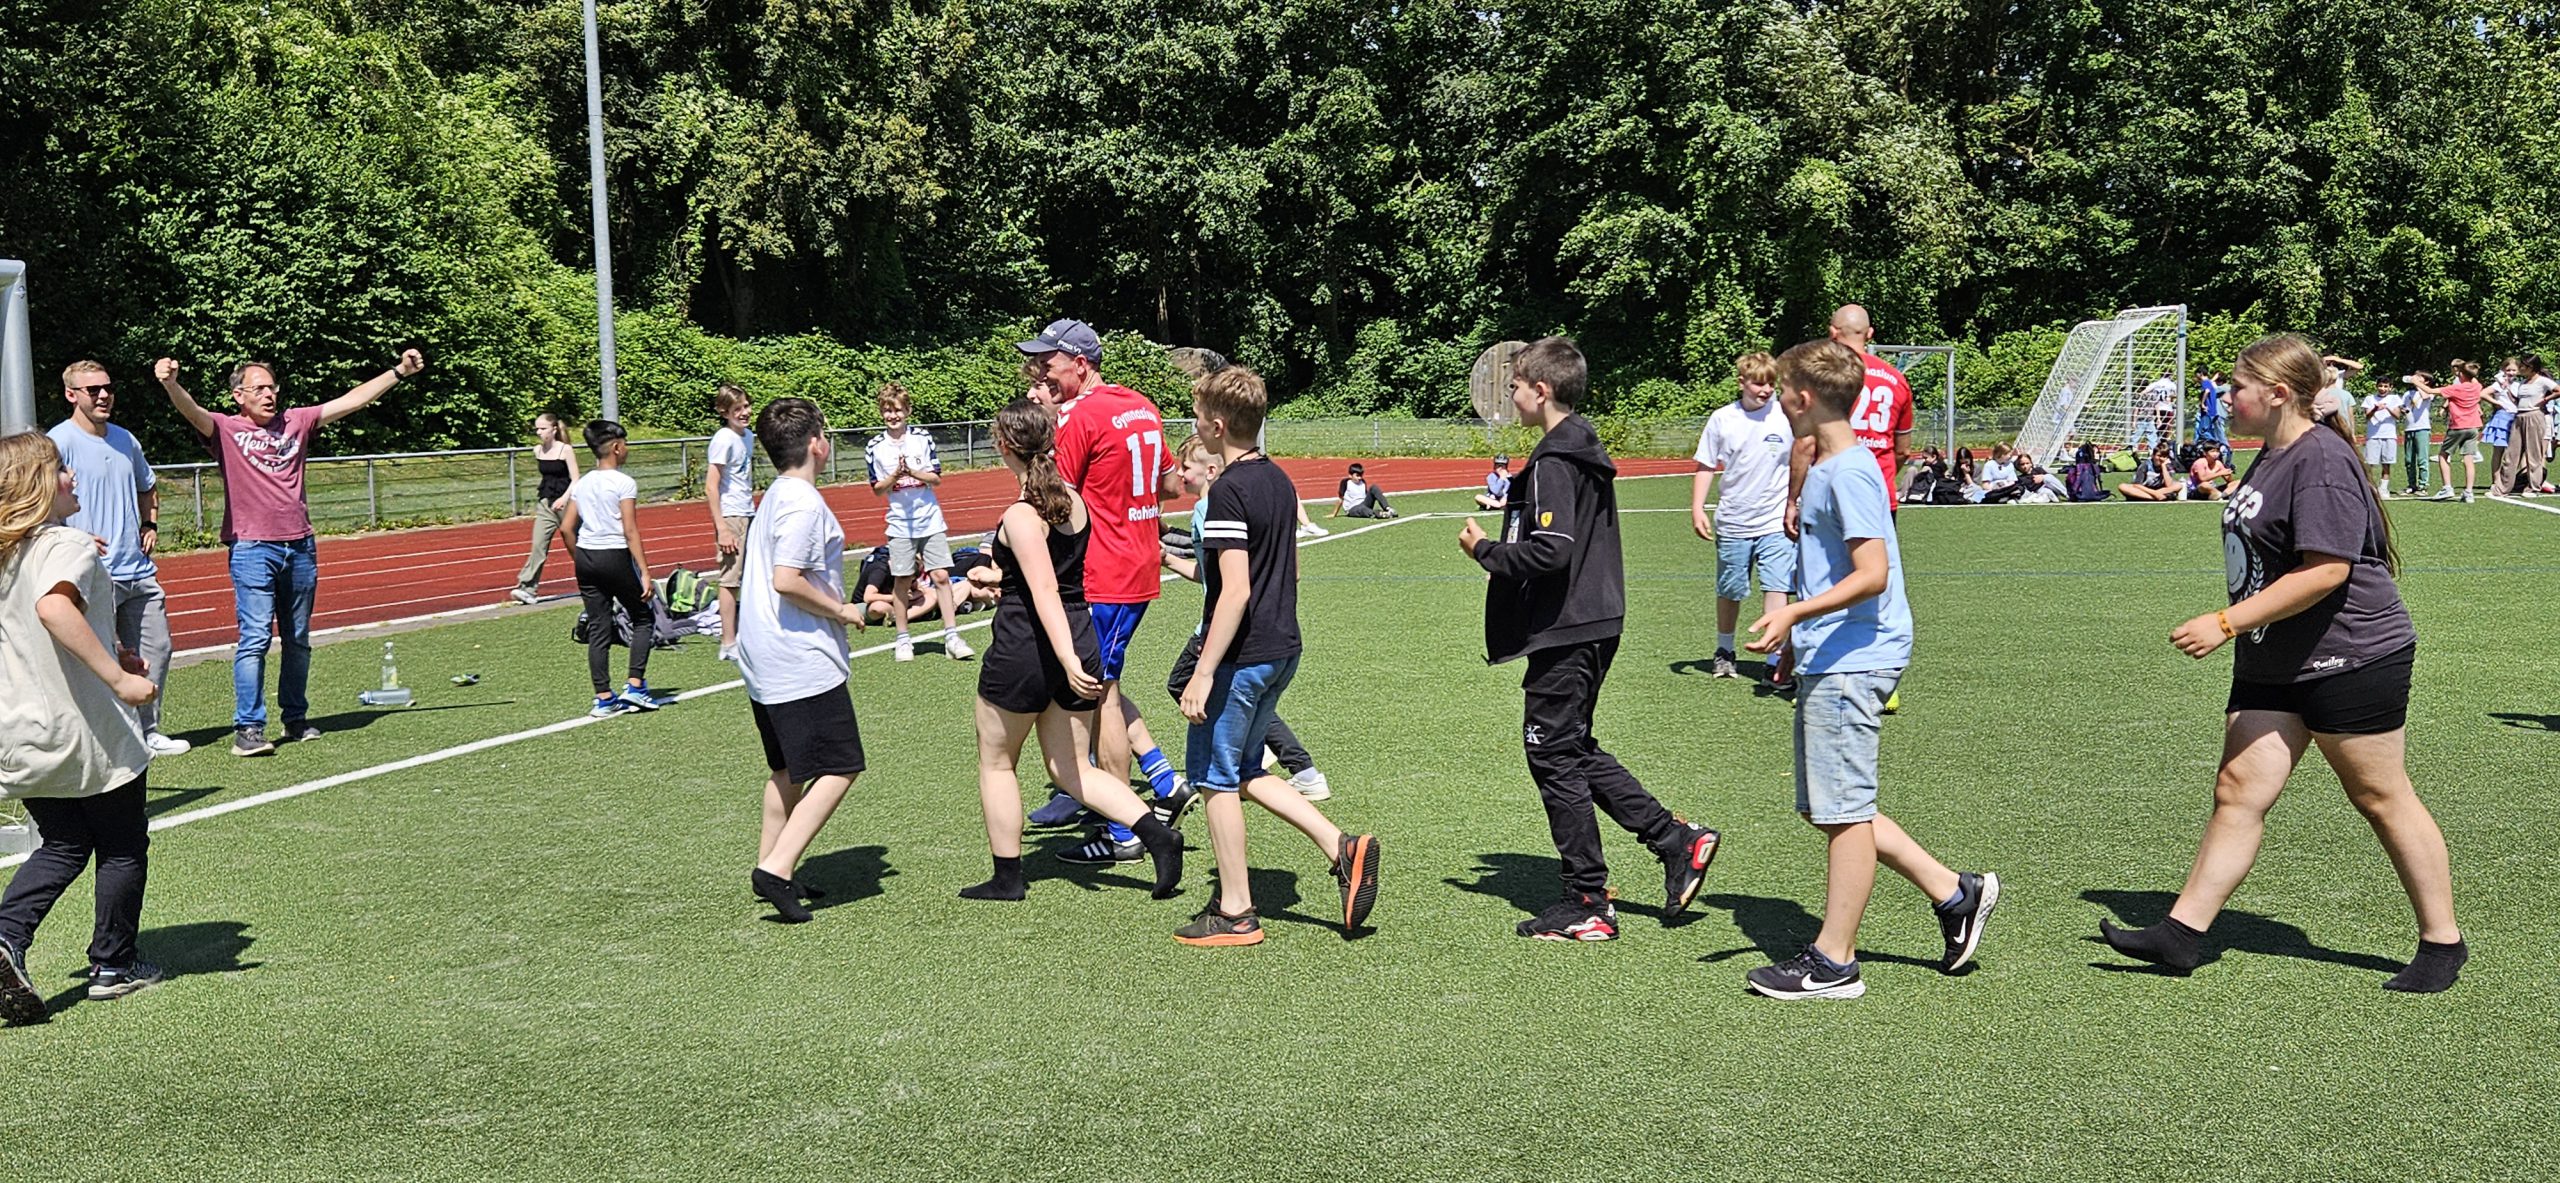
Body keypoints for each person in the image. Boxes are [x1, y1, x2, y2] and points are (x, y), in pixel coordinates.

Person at [2102, 333, 2465, 993]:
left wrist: (2224, 623)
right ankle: (2182, 932)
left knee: (2380, 797)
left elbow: (2326, 571)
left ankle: (2443, 942)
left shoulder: (2319, 458)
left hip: (2350, 655)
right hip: (2275, 658)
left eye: (2237, 387)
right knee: (2238, 791)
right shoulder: (2272, 453)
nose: (2226, 397)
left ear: (2276, 394)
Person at [1740, 339, 1998, 1000]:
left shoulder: (1849, 472)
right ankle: (1954, 892)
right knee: (1827, 808)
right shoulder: (1830, 466)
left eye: (1782, 389)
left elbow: (1872, 573)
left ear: (1802, 398)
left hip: (1856, 656)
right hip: (1832, 651)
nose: (1777, 398)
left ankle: (1834, 962)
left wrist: (1795, 613)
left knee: (1845, 812)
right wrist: (1798, 636)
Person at [1459, 336, 1719, 942]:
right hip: (1590, 620)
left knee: (1551, 754)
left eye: (1516, 386)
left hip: (1570, 627)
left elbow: (1552, 550)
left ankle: (1587, 900)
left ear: (1541, 390)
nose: (1511, 396)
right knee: (1570, 747)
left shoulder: (1555, 459)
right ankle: (1676, 841)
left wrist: (1485, 551)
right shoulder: (1578, 448)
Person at [1173, 365, 1377, 946]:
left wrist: (1203, 672)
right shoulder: (1279, 479)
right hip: (1282, 647)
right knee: (1243, 771)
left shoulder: (1228, 490)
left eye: (1198, 418)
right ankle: (1340, 847)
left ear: (1217, 426)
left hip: (1242, 655)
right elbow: (1283, 571)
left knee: (1214, 779)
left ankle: (1235, 911)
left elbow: (1234, 590)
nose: (1194, 426)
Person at [959, 398, 1182, 903]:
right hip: (1081, 634)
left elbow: (1044, 591)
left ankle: (1007, 878)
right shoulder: (1074, 501)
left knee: (997, 763)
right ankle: (1157, 835)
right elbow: (1051, 576)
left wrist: (1063, 658)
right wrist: (1002, 580)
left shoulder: (1022, 514)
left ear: (1004, 446)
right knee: (1071, 768)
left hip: (1028, 648)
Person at [155, 349, 424, 757]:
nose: (269, 395)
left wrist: (398, 372)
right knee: (255, 638)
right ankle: (249, 728)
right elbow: (191, 411)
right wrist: (171, 384)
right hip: (252, 547)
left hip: (299, 545)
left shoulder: (297, 421)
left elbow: (352, 401)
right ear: (238, 396)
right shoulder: (225, 428)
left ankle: (295, 718)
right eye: (259, 389)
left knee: (297, 639)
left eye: (272, 388)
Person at [0, 432, 163, 1025]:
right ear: (39, 483)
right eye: (62, 469)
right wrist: (119, 680)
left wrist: (113, 650)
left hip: (21, 732)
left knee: (64, 842)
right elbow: (53, 609)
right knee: (122, 844)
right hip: (86, 730)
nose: (72, 478)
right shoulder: (66, 543)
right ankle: (113, 966)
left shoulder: (8, 554)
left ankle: (6, 935)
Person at [1016, 319, 1186, 863]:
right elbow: (1170, 483)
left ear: (1079, 363)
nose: (1041, 370)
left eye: (1049, 362)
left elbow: (1052, 498)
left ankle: (1122, 831)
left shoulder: (1078, 416)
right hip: (1137, 562)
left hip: (1103, 571)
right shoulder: (1141, 404)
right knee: (1103, 684)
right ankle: (1162, 783)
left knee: (1100, 693)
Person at [735, 398, 870, 924]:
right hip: (797, 656)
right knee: (841, 765)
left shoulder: (775, 495)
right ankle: (776, 868)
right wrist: (843, 610)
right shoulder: (802, 503)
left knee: (787, 769)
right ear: (816, 443)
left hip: (765, 652)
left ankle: (772, 863)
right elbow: (787, 580)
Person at [1162, 434, 1332, 802]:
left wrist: (1205, 668)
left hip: (1227, 632)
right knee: (1232, 708)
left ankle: (1292, 764)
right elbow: (1215, 573)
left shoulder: (1211, 505)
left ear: (1210, 470)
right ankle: (1299, 771)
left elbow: (1231, 587)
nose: (1181, 474)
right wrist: (1168, 558)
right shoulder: (1272, 482)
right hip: (1272, 635)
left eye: (1186, 467)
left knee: (1215, 769)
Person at [48, 362, 187, 755]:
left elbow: (148, 486)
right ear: (71, 395)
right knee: (101, 659)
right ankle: (106, 736)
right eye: (92, 390)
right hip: (93, 572)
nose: (104, 396)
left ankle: (149, 730)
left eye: (108, 388)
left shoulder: (126, 439)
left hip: (137, 570)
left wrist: (150, 523)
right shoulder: (59, 442)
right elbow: (42, 498)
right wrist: (70, 537)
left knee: (157, 649)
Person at [1691, 351, 1794, 681]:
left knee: (1777, 586)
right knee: (1730, 590)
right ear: (1742, 382)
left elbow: (1805, 454)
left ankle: (1775, 659)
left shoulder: (1787, 415)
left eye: (1770, 384)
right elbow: (1706, 465)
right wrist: (1697, 507)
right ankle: (1724, 650)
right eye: (1758, 383)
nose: (1765, 390)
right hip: (1734, 520)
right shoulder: (1723, 419)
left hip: (1776, 521)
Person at [559, 420, 672, 718]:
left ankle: (603, 698)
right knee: (643, 617)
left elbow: (566, 528)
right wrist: (645, 572)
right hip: (615, 555)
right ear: (617, 447)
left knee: (599, 627)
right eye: (626, 444)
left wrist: (580, 559)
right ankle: (635, 686)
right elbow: (630, 530)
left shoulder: (582, 483)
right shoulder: (624, 482)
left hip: (586, 556)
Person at [863, 382, 972, 663]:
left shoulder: (922, 438)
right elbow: (877, 489)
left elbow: (936, 478)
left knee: (941, 576)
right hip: (900, 523)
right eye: (887, 411)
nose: (893, 416)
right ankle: (903, 638)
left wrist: (912, 472)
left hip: (930, 520)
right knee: (902, 579)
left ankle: (952, 636)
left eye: (898, 410)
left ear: (908, 411)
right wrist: (895, 476)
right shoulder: (875, 446)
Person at [704, 385, 756, 661]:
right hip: (731, 515)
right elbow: (711, 486)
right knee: (730, 579)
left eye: (746, 406)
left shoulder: (747, 436)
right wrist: (722, 528)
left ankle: (747, 633)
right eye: (738, 409)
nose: (745, 412)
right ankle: (728, 641)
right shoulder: (723, 439)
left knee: (751, 576)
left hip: (747, 511)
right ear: (724, 412)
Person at [511, 413, 580, 605]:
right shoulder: (538, 450)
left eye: (543, 428)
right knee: (538, 545)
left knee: (578, 545)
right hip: (546, 504)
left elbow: (576, 479)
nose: (539, 432)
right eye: (537, 429)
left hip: (567, 504)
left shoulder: (565, 450)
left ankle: (596, 579)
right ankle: (527, 588)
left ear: (554, 429)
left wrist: (564, 498)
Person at [2417, 361, 2484, 501]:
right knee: (2469, 459)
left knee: (2443, 456)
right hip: (2473, 427)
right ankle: (2469, 492)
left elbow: (2429, 391)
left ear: (2462, 374)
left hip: (2457, 427)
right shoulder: (2477, 386)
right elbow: (2473, 380)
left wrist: (2415, 381)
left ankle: (2447, 488)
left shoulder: (2455, 388)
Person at [2492, 354, 2556, 496]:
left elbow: (2558, 390)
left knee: (2533, 454)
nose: (2520, 368)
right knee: (2511, 454)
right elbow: (2518, 400)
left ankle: (2533, 487)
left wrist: (2545, 399)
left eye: (2522, 366)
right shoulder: (2523, 383)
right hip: (2519, 416)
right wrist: (2507, 390)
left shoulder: (2542, 381)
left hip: (2534, 416)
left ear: (2531, 367)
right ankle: (2502, 488)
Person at [2359, 378, 2402, 496]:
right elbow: (2367, 416)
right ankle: (2369, 487)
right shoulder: (2370, 399)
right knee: (2370, 463)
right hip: (2373, 435)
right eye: (2380, 386)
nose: (2383, 389)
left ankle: (2383, 488)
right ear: (2376, 386)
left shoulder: (2394, 398)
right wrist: (2375, 408)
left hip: (2389, 435)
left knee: (2386, 463)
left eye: (2385, 386)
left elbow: (2397, 416)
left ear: (2390, 387)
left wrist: (2387, 408)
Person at [2399, 374, 2434, 498]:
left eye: (2419, 377)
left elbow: (2425, 396)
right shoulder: (2408, 393)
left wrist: (2418, 384)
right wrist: (2403, 410)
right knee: (2409, 460)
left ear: (2426, 381)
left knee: (2422, 459)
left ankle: (2423, 485)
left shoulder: (2428, 392)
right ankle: (2411, 485)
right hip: (2409, 428)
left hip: (2422, 428)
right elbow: (2403, 406)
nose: (2415, 378)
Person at [2118, 442, 2183, 501]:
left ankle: (2154, 497)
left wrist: (2163, 467)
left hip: (2160, 489)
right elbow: (2137, 485)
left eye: (2164, 456)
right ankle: (2154, 497)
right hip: (2143, 490)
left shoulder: (2167, 465)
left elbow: (2169, 485)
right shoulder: (2145, 465)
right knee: (2122, 486)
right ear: (2153, 455)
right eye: (2159, 456)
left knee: (2178, 485)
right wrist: (2155, 494)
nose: (2161, 459)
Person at [1332, 462, 1397, 519]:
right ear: (1350, 475)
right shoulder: (1345, 482)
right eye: (1357, 476)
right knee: (1362, 509)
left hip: (1364, 504)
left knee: (1374, 487)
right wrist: (1334, 514)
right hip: (1352, 508)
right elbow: (1340, 499)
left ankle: (1388, 509)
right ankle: (1379, 514)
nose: (1360, 478)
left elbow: (1365, 495)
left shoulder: (1363, 482)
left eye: (1361, 475)